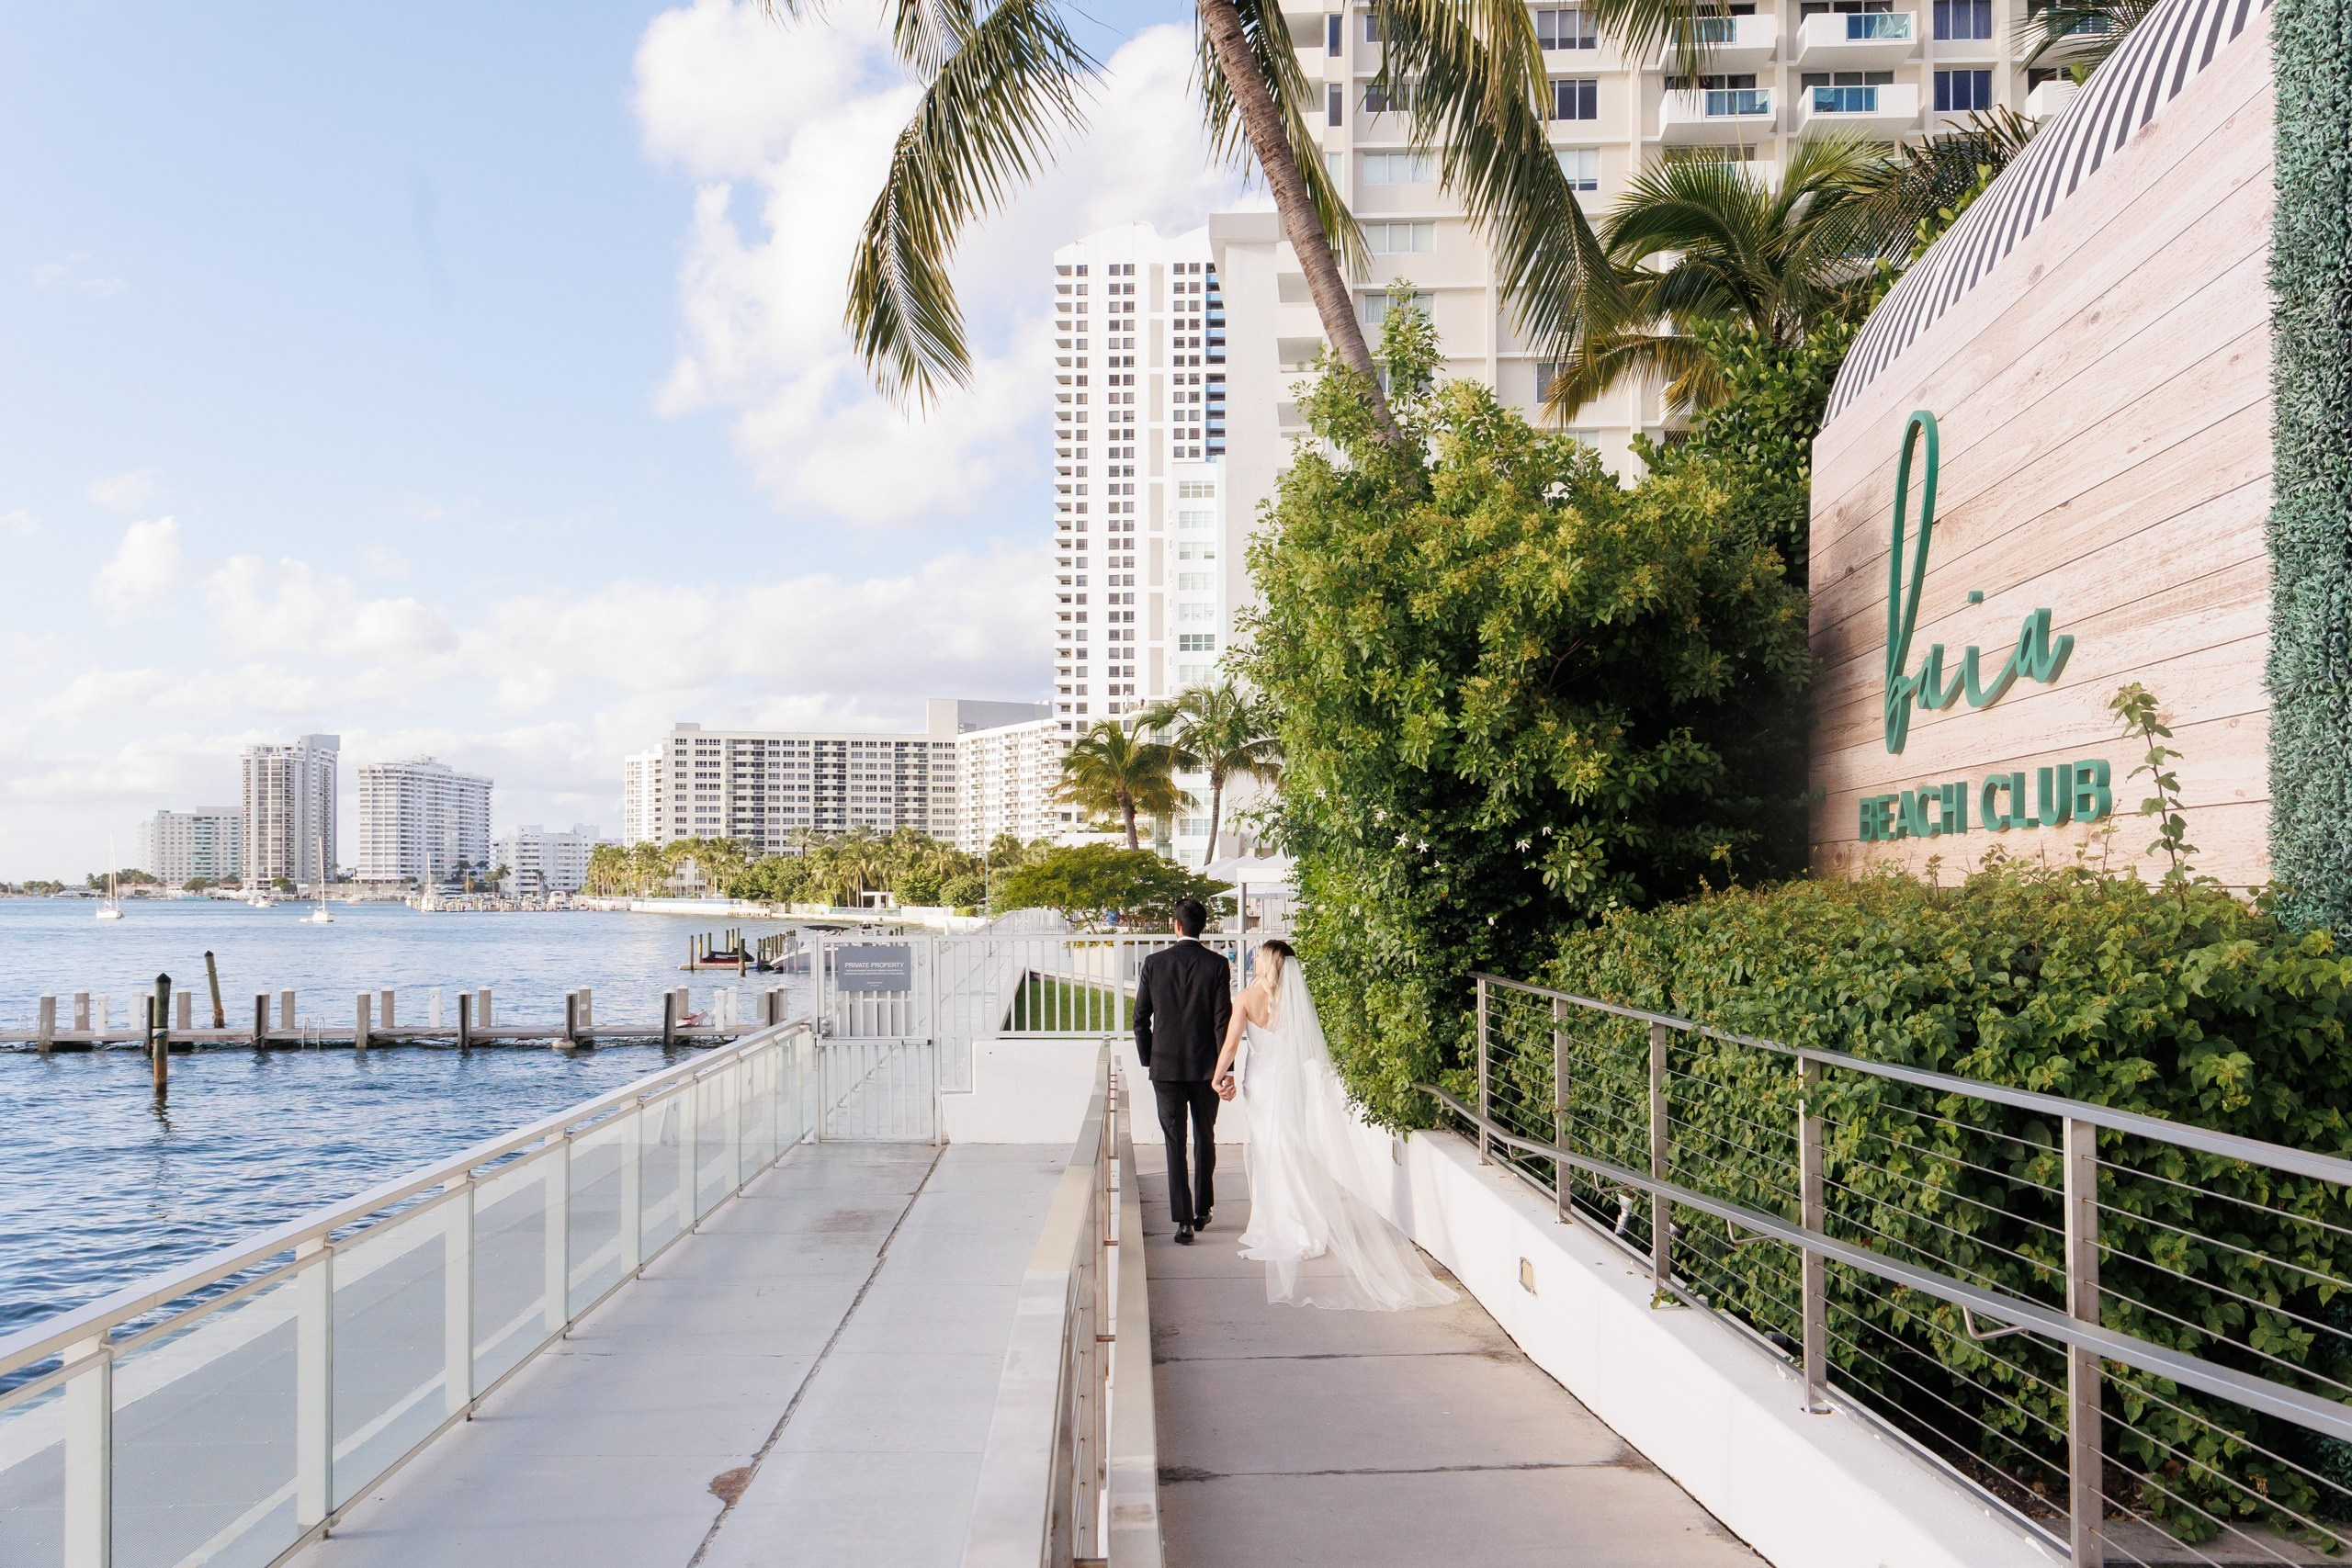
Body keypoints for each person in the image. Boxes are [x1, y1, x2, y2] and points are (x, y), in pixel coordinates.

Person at [1210, 940, 1454, 1311]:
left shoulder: (1244, 998)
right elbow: (1308, 1048)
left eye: (1258, 957)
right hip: (1289, 1080)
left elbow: (1230, 1046)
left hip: (1260, 1081)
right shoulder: (1296, 1003)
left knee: (1269, 1149)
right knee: (1292, 1145)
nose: (1255, 961)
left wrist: (1218, 1077)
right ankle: (1301, 1223)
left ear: (1265, 964)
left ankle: (1274, 1223)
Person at [1134, 897, 1230, 1245]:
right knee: (1205, 1135)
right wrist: (1226, 1069)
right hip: (1207, 1068)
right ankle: (1203, 1209)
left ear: (1176, 925)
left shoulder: (1154, 963)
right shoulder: (1217, 965)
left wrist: (1150, 1058)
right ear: (1202, 926)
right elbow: (1223, 1021)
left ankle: (1183, 1221)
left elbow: (1139, 1018)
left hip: (1166, 1067)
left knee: (1174, 1140)